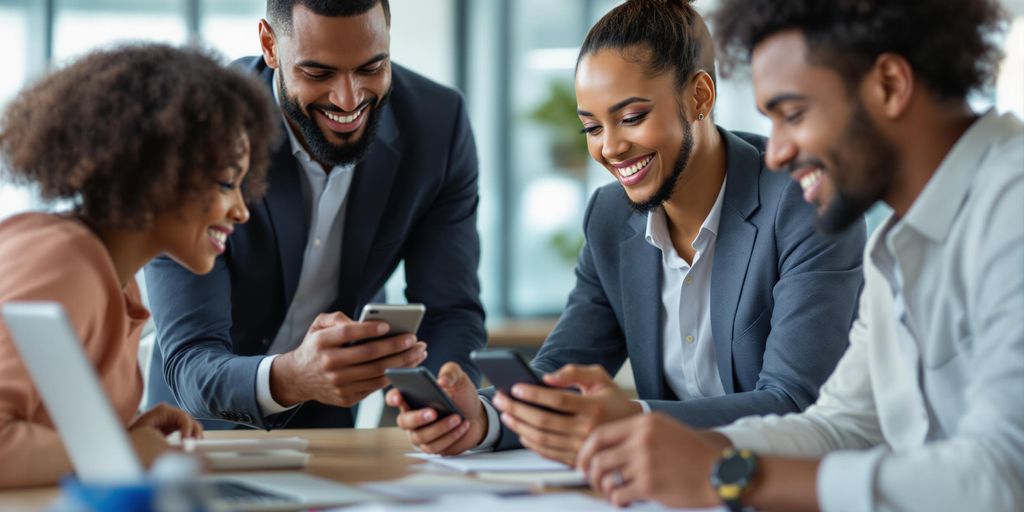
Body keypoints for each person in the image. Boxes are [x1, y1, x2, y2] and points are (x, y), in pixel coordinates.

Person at [577, 0, 1024, 510]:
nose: (776, 153)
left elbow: (1004, 474)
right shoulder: (896, 246)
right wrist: (696, 450)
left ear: (891, 86)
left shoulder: (1013, 206)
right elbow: (842, 425)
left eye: (794, 114)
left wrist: (725, 475)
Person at [388, 0, 865, 465]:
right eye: (591, 128)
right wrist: (484, 417)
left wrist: (631, 418)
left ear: (700, 96)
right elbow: (560, 371)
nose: (611, 147)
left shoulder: (805, 202)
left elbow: (795, 402)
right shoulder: (610, 217)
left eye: (632, 117)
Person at [144, 0, 486, 430]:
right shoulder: (198, 130)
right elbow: (192, 357)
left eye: (371, 68)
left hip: (326, 432)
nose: (349, 99)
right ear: (270, 45)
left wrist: (445, 403)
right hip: (198, 428)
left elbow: (450, 310)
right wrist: (292, 377)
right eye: (318, 73)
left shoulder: (438, 125)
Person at [0, 44, 276, 488]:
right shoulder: (62, 260)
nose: (242, 210)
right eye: (227, 182)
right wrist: (122, 452)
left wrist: (122, 438)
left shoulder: (115, 280)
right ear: (155, 173)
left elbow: (36, 431)